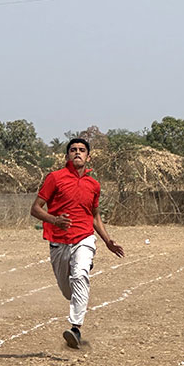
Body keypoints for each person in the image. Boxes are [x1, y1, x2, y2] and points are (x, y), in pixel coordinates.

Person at [31, 137, 124, 349]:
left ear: (88, 157)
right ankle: (77, 299)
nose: (77, 153)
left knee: (80, 274)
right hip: (58, 242)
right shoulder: (55, 178)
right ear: (67, 156)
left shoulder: (94, 185)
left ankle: (75, 328)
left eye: (82, 150)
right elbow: (35, 208)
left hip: (84, 237)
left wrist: (107, 240)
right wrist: (54, 220)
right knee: (68, 290)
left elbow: (95, 216)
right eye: (73, 150)